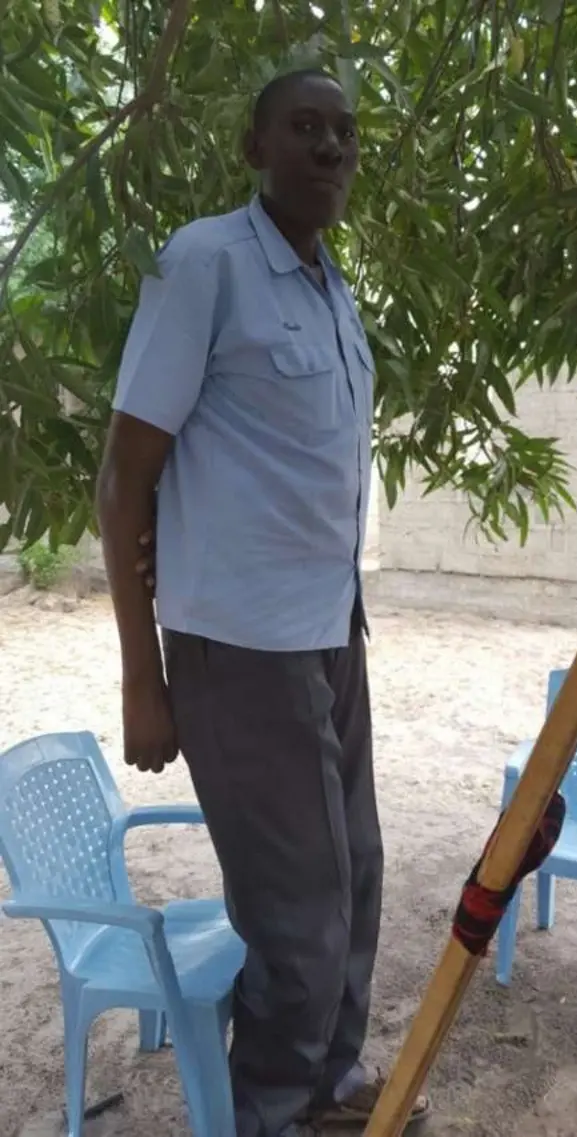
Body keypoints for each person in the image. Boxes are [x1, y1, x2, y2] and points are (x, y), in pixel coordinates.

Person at [97, 68, 427, 1137]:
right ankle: (273, 1113)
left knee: (356, 872)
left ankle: (327, 1082)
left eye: (345, 132)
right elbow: (125, 477)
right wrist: (143, 680)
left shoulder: (331, 290)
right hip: (238, 650)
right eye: (304, 127)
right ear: (255, 149)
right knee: (296, 906)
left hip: (329, 631)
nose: (330, 147)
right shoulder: (207, 263)